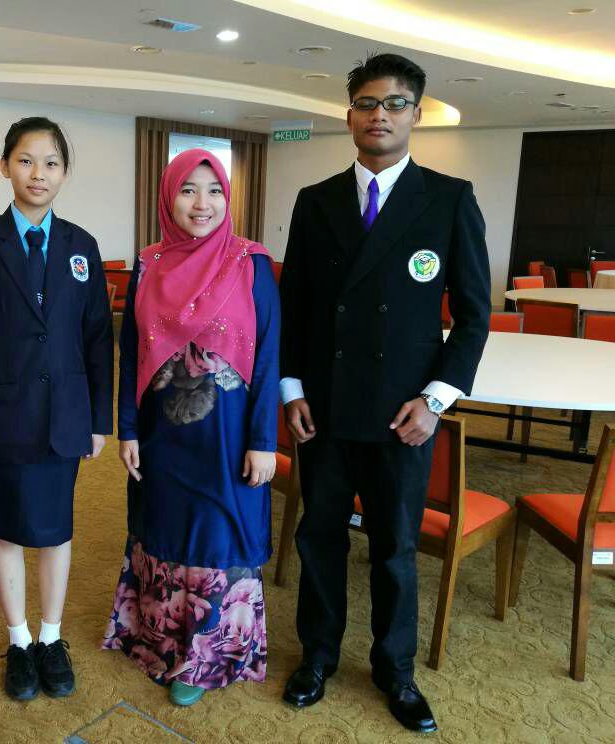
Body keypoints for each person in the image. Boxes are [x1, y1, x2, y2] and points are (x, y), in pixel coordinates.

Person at [279, 53, 491, 733]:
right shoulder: (316, 201)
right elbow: (294, 307)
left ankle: (395, 670)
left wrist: (436, 400)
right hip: (325, 408)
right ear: (349, 116)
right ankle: (317, 656)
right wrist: (290, 388)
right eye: (368, 103)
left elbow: (474, 315)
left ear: (416, 115)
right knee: (319, 538)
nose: (381, 115)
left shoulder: (448, 198)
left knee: (396, 547)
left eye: (395, 104)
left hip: (405, 414)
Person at [103, 149, 279, 707]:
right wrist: (127, 429)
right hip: (162, 434)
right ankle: (156, 638)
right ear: (168, 197)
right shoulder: (149, 263)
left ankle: (203, 659)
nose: (202, 204)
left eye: (214, 191)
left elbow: (269, 357)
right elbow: (131, 353)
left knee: (217, 532)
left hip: (227, 437)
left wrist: (264, 441)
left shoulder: (251, 262)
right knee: (165, 526)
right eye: (188, 190)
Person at [0, 116, 114, 701]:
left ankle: (51, 636)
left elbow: (98, 338)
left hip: (64, 417)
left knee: (55, 529)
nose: (37, 173)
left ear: (64, 173)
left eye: (50, 163)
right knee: (6, 528)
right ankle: (18, 640)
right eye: (25, 160)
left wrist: (99, 418)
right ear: (4, 166)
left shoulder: (81, 246)